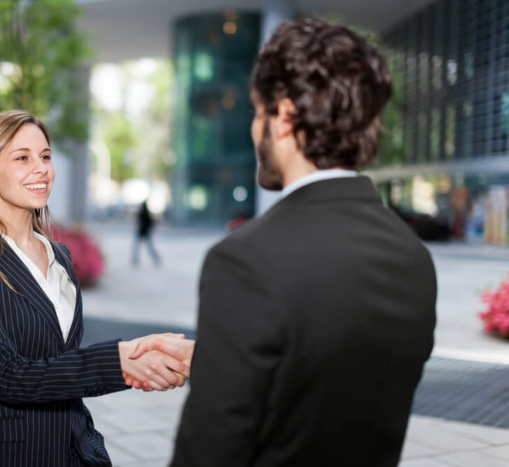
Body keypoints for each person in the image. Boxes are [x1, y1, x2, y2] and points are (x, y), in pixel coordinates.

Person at [168, 18, 437, 467]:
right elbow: (333, 378)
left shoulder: (244, 261)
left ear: (285, 118)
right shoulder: (411, 256)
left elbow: (210, 449)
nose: (255, 130)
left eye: (258, 112)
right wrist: (216, 359)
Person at [0, 110, 194, 467]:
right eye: (22, 158)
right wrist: (121, 361)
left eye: (46, 156)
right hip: (3, 454)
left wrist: (135, 365)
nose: (41, 168)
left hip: (73, 450)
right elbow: (8, 376)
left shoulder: (61, 256)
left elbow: (60, 363)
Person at [131, 200, 161, 266]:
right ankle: (135, 260)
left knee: (148, 248)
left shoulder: (145, 214)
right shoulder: (143, 213)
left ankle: (156, 259)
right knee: (138, 248)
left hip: (144, 232)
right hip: (142, 232)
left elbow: (150, 223)